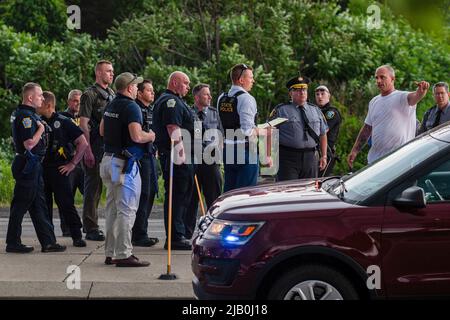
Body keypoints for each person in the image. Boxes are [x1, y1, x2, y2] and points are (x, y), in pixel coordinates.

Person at [99, 72, 155, 267]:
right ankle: (123, 254)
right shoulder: (131, 107)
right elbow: (137, 136)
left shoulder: (111, 104)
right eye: (135, 85)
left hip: (109, 159)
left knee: (113, 208)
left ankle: (110, 252)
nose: (136, 88)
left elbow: (102, 131)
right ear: (130, 88)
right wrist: (151, 135)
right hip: (124, 163)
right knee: (127, 210)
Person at [6, 82, 66, 253]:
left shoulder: (30, 114)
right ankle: (13, 242)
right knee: (20, 204)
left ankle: (48, 242)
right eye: (39, 95)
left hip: (34, 165)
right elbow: (29, 144)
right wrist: (40, 128)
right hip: (28, 164)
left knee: (38, 204)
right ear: (30, 98)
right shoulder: (25, 117)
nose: (42, 98)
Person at [347, 65, 430, 168]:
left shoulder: (402, 97)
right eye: (376, 77)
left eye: (382, 77)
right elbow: (367, 128)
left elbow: (415, 96)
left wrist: (421, 91)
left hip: (399, 159)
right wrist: (355, 150)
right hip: (375, 160)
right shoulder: (374, 101)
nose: (378, 81)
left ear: (392, 79)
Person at [38, 91, 88, 247]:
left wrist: (72, 164)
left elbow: (83, 143)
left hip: (60, 169)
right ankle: (49, 240)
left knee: (66, 204)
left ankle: (76, 235)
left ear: (48, 105)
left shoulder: (64, 121)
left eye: (40, 102)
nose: (36, 106)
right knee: (44, 206)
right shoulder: (37, 121)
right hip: (42, 170)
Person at [153, 71, 194, 250]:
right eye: (185, 83)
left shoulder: (175, 100)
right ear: (175, 83)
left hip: (180, 154)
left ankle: (179, 233)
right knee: (177, 195)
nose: (188, 87)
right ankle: (175, 237)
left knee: (182, 195)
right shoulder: (171, 102)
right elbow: (173, 127)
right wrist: (180, 152)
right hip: (176, 156)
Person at [79, 60, 115, 241]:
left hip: (109, 146)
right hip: (94, 144)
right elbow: (83, 124)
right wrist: (87, 151)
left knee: (109, 186)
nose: (112, 74)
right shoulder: (89, 94)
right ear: (98, 73)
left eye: (112, 71)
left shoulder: (112, 94)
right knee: (92, 187)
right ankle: (90, 226)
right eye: (108, 71)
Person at [218, 63, 268, 192]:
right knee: (246, 194)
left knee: (229, 191)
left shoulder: (222, 98)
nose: (253, 81)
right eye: (250, 77)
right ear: (241, 80)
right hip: (246, 150)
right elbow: (247, 130)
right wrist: (263, 131)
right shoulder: (247, 99)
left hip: (228, 148)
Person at [270, 76, 328, 181]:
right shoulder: (281, 110)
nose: (302, 92)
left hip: (311, 157)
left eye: (304, 89)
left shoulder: (315, 110)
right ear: (290, 93)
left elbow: (323, 134)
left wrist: (324, 156)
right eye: (297, 90)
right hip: (287, 158)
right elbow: (268, 133)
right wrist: (268, 156)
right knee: (288, 191)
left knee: (308, 190)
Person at [185, 83, 223, 239]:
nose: (210, 97)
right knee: (191, 199)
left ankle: (214, 231)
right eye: (206, 94)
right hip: (193, 160)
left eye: (209, 94)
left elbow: (221, 135)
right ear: (197, 97)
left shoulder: (215, 114)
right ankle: (186, 234)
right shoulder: (188, 113)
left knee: (213, 197)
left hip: (211, 161)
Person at [131, 79, 159, 247]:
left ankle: (141, 231)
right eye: (149, 90)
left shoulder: (151, 109)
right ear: (139, 93)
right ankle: (139, 234)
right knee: (144, 194)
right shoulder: (136, 109)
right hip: (141, 155)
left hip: (151, 154)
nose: (152, 93)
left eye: (152, 90)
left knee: (151, 193)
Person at [60, 89, 84, 236]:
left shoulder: (85, 117)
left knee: (89, 195)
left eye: (80, 101)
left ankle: (88, 225)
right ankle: (67, 228)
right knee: (66, 196)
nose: (77, 104)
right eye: (75, 101)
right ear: (69, 101)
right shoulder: (62, 117)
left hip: (83, 163)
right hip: (68, 160)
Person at [315, 85, 342, 176]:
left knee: (319, 183)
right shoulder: (314, 111)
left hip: (326, 153)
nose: (320, 96)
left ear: (328, 96)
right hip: (313, 152)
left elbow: (321, 131)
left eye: (322, 94)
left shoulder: (331, 113)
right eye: (317, 94)